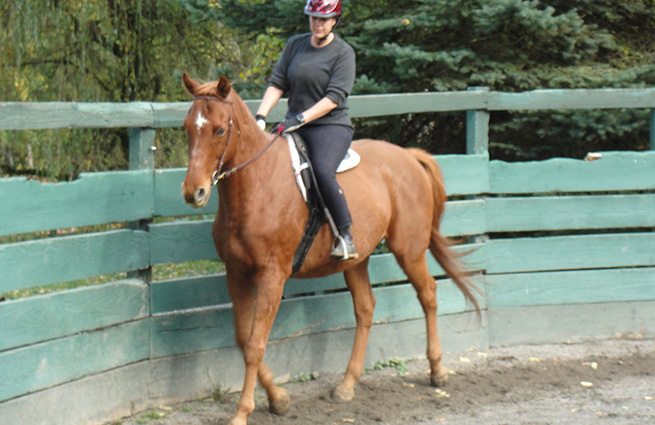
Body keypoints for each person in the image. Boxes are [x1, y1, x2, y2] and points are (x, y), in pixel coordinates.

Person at [255, 0, 358, 261]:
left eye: (323, 19)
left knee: (322, 171)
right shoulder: (295, 45)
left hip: (330, 127)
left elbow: (334, 98)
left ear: (335, 20)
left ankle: (345, 235)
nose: (317, 23)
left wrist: (301, 118)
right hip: (295, 125)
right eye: (313, 18)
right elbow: (277, 82)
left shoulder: (343, 53)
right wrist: (260, 117)